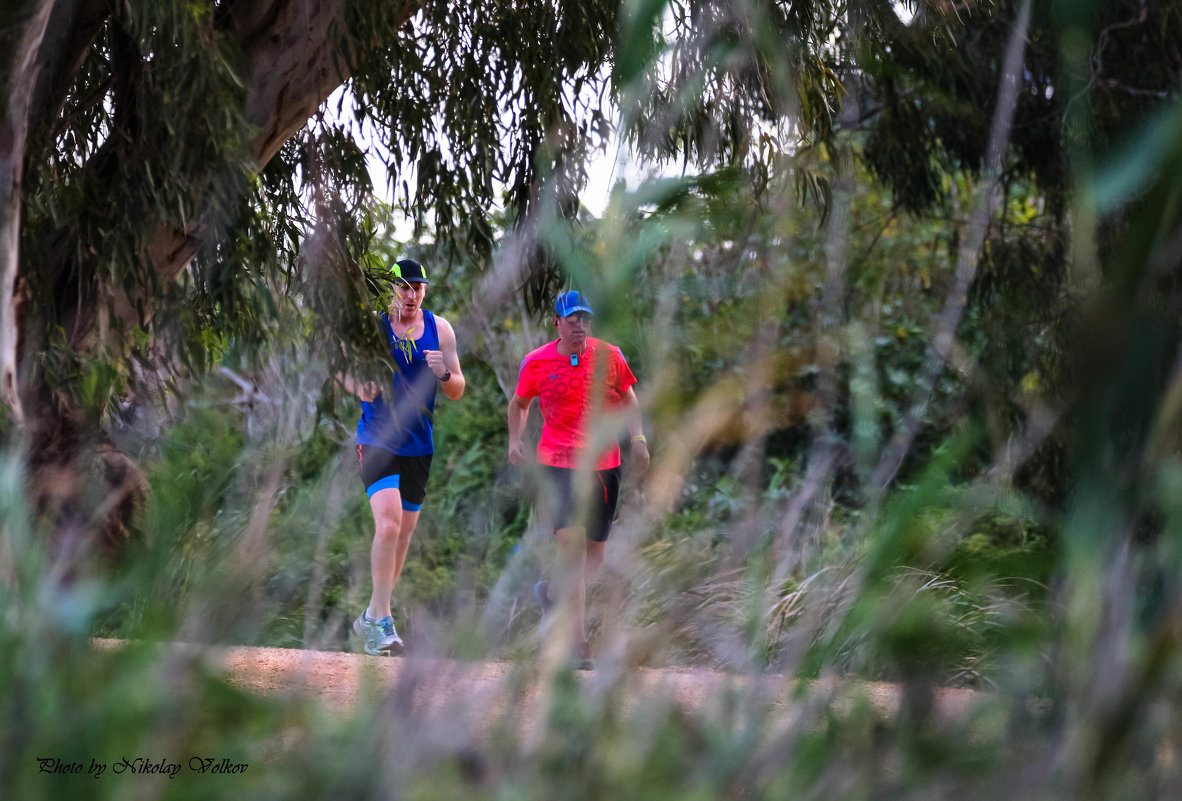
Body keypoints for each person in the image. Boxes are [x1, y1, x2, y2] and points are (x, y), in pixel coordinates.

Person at [507, 290, 649, 669]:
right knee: (573, 549)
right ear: (557, 322)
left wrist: (638, 440)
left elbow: (631, 399)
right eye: (572, 319)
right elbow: (520, 404)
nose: (579, 325)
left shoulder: (610, 356)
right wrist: (515, 440)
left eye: (584, 318)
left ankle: (552, 594)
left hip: (604, 464)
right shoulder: (535, 363)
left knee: (594, 559)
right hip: (556, 463)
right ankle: (579, 644)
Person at [338, 258, 465, 655]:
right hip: (377, 437)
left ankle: (372, 616)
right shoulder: (372, 327)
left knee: (405, 532)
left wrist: (444, 372)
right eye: (404, 287)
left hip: (418, 443)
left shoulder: (439, 328)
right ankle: (382, 622)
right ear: (391, 289)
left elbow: (458, 387)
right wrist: (359, 385)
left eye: (417, 287)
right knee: (389, 526)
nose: (411, 295)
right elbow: (340, 369)